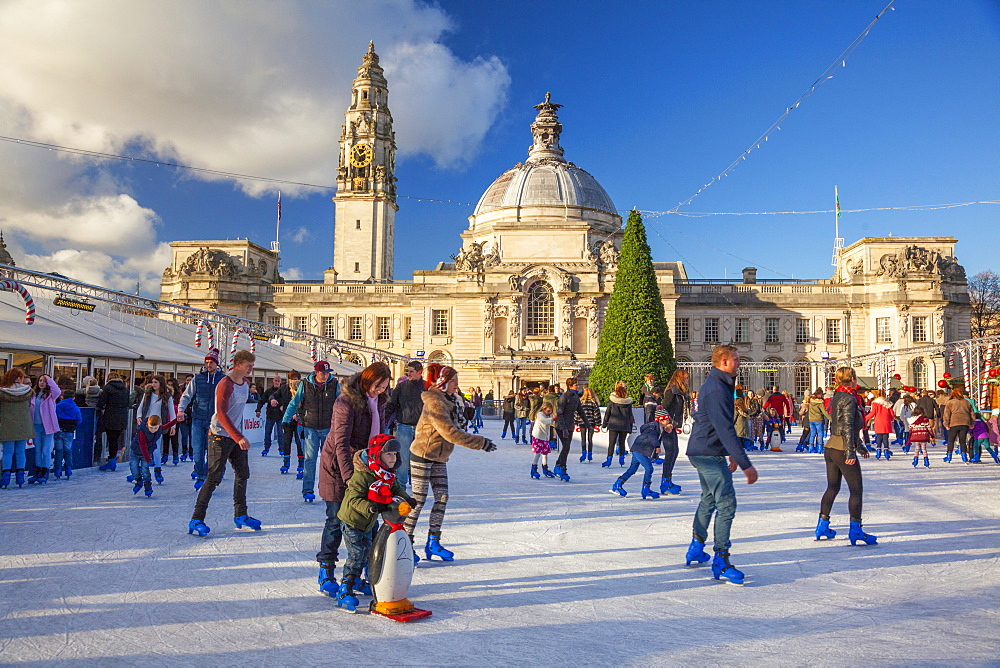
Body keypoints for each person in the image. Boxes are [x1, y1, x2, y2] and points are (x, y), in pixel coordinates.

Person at [405, 363, 496, 563]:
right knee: (418, 501)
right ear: (443, 383)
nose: (457, 385)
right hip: (423, 454)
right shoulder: (435, 402)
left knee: (442, 497)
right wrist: (481, 443)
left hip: (439, 456)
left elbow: (456, 425)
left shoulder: (451, 400)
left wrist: (466, 417)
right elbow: (449, 432)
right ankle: (406, 544)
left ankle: (433, 542)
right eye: (453, 381)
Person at [684, 345, 759, 586]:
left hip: (704, 449)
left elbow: (722, 425)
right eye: (736, 359)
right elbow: (724, 427)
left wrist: (732, 453)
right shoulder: (717, 388)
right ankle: (721, 560)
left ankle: (696, 546)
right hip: (706, 452)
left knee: (709, 498)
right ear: (724, 362)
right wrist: (746, 463)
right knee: (726, 503)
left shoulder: (719, 384)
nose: (740, 363)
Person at [317, 362, 391, 593]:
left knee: (368, 522)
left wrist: (382, 470)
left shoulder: (379, 401)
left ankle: (358, 574)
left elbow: (378, 440)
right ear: (366, 380)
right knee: (337, 520)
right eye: (376, 386)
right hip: (338, 468)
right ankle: (326, 571)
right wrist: (350, 478)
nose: (379, 391)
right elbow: (341, 443)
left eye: (383, 388)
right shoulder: (345, 401)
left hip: (366, 468)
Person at [333, 435, 415, 611]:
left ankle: (357, 581)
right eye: (388, 454)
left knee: (369, 554)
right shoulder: (363, 475)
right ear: (378, 455)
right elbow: (353, 500)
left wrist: (408, 499)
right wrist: (370, 507)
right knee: (357, 555)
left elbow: (396, 489)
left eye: (395, 454)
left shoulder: (387, 475)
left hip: (369, 522)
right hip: (352, 521)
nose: (393, 458)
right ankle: (344, 588)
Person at [187, 350, 261, 537]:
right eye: (248, 366)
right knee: (213, 477)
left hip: (234, 435)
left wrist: (238, 435)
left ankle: (241, 515)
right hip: (220, 435)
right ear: (237, 364)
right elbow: (221, 414)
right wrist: (238, 436)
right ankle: (196, 518)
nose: (251, 369)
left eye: (252, 366)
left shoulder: (245, 383)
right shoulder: (225, 384)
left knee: (243, 474)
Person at [816, 366, 877, 547]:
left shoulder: (836, 396)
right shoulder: (850, 399)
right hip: (843, 448)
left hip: (831, 447)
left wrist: (861, 447)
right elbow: (849, 426)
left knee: (832, 487)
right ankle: (856, 529)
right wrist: (852, 451)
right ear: (852, 379)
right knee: (856, 490)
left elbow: (840, 425)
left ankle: (822, 525)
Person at [283, 360, 340, 503]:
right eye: (323, 373)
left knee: (330, 461)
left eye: (327, 373)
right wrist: (286, 419)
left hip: (328, 427)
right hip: (310, 427)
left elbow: (341, 404)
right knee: (310, 459)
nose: (325, 376)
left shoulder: (334, 384)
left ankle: (330, 490)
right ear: (316, 372)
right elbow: (294, 402)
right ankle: (308, 490)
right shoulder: (305, 384)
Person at [178, 348, 225, 490]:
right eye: (207, 362)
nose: (209, 364)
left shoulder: (223, 379)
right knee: (197, 450)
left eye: (211, 362)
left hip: (215, 421)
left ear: (217, 364)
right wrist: (181, 410)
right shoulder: (197, 379)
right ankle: (200, 474)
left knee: (213, 451)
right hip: (198, 419)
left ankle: (207, 475)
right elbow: (187, 395)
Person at [612, 406, 673, 499]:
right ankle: (646, 489)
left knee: (632, 470)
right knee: (649, 468)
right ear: (661, 420)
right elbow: (652, 437)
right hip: (639, 450)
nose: (669, 421)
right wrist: (657, 446)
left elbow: (658, 437)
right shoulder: (653, 427)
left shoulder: (659, 428)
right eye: (666, 420)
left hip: (638, 449)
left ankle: (618, 484)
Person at [385, 360, 424, 487]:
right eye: (408, 371)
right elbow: (391, 404)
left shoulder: (427, 387)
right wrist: (384, 420)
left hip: (421, 428)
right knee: (403, 458)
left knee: (419, 458)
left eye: (412, 371)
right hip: (404, 426)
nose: (409, 374)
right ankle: (401, 486)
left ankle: (418, 484)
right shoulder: (401, 387)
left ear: (420, 372)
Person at [136, 375, 176, 485]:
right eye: (152, 382)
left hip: (158, 425)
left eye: (156, 382)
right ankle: (140, 470)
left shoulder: (167, 397)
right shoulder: (147, 394)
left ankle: (158, 470)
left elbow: (172, 412)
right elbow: (141, 406)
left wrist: (173, 426)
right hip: (146, 424)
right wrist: (139, 416)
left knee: (156, 449)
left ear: (161, 384)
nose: (153, 384)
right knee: (142, 447)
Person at [130, 413, 178, 498]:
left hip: (147, 453)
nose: (152, 430)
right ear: (147, 425)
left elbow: (168, 425)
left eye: (155, 428)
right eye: (150, 428)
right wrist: (148, 459)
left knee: (145, 470)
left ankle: (148, 486)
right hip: (136, 452)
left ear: (159, 425)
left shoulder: (159, 429)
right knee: (134, 469)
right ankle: (138, 481)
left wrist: (177, 419)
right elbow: (143, 446)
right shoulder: (142, 432)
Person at [1, 369, 35, 489]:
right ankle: (20, 478)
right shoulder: (28, 391)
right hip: (23, 425)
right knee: (20, 451)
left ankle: (5, 479)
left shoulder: (2, 392)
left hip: (7, 425)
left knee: (7, 452)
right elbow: (29, 407)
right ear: (20, 378)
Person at [27, 374, 61, 484]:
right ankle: (38, 471)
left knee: (46, 450)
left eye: (44, 381)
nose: (42, 382)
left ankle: (45, 471)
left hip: (48, 425)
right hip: (36, 425)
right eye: (40, 380)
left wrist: (49, 379)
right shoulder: (33, 395)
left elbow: (58, 391)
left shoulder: (51, 395)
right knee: (37, 450)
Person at [658, 370, 689, 493]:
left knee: (674, 452)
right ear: (679, 378)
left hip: (673, 425)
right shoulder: (672, 391)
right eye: (686, 378)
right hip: (668, 427)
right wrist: (666, 423)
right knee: (670, 453)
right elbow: (662, 408)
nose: (687, 380)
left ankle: (668, 479)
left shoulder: (679, 392)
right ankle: (665, 482)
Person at [553, 377, 587, 481]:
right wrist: (563, 429)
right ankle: (563, 469)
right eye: (576, 385)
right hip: (561, 426)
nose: (578, 386)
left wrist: (588, 424)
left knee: (566, 447)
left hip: (570, 425)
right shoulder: (564, 397)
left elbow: (580, 411)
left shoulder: (575, 397)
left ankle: (558, 465)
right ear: (570, 386)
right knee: (566, 447)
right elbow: (560, 413)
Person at [96, 373, 130, 471]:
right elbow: (128, 403)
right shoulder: (125, 389)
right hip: (122, 417)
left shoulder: (107, 388)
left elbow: (101, 402)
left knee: (111, 440)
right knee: (115, 439)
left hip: (110, 417)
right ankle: (112, 459)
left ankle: (111, 461)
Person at [601, 381, 634, 468]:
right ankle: (621, 459)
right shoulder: (628, 402)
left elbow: (607, 413)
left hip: (613, 424)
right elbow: (630, 415)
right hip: (624, 425)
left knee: (611, 443)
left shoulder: (612, 401)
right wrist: (630, 427)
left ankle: (609, 460)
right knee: (622, 443)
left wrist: (604, 424)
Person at [277, 371, 303, 475]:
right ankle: (286, 462)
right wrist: (273, 399)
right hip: (288, 422)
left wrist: (298, 414)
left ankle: (301, 463)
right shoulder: (284, 389)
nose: (294, 381)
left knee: (299, 443)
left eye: (297, 379)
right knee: (286, 442)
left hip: (300, 422)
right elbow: (274, 395)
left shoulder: (303, 390)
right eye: (293, 379)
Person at [53, 390, 81, 480]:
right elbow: (79, 420)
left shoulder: (57, 406)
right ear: (73, 398)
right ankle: (68, 469)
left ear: (62, 397)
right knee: (68, 450)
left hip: (59, 430)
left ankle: (57, 470)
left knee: (58, 450)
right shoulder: (76, 408)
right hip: (69, 431)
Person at [255, 375, 285, 457]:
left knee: (280, 434)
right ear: (273, 381)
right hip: (270, 415)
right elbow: (261, 401)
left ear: (280, 381)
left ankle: (281, 449)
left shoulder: (283, 391)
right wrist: (258, 410)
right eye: (275, 380)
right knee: (267, 433)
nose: (277, 382)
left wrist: (284, 406)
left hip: (280, 416)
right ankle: (266, 448)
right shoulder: (268, 391)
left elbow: (288, 401)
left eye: (278, 381)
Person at [942, 388, 974, 463]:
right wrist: (972, 423)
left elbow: (947, 414)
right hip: (965, 423)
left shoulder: (950, 402)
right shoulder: (966, 402)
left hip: (954, 423)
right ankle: (964, 457)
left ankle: (949, 456)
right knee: (963, 440)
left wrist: (946, 424)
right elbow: (972, 413)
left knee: (951, 440)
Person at [529, 402, 556, 479]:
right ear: (544, 409)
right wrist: (553, 419)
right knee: (538, 453)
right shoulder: (540, 414)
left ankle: (545, 468)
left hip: (545, 437)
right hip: (538, 436)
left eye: (551, 411)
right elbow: (544, 421)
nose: (549, 412)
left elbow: (552, 422)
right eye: (548, 411)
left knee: (545, 453)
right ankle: (533, 469)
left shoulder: (550, 415)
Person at [867, 390, 895, 459]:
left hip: (879, 421)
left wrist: (865, 418)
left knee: (879, 438)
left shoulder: (875, 403)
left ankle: (878, 451)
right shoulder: (888, 403)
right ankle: (886, 451)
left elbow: (872, 413)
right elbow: (892, 413)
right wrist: (891, 419)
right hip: (886, 421)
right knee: (886, 438)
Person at [161, 378, 182, 465]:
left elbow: (181, 404)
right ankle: (165, 454)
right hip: (166, 418)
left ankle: (175, 454)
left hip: (174, 418)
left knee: (174, 437)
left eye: (171, 385)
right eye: (168, 385)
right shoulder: (165, 395)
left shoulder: (178, 395)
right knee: (165, 436)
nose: (170, 387)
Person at [577, 386, 601, 462]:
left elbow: (577, 412)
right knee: (590, 439)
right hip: (591, 422)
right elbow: (596, 413)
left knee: (583, 438)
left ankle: (583, 453)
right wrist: (598, 422)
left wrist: (576, 421)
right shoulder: (593, 402)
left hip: (582, 422)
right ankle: (590, 453)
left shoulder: (581, 402)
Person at [178, 374, 194, 462]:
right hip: (183, 416)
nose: (189, 382)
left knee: (192, 436)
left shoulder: (195, 390)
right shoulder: (181, 390)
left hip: (192, 415)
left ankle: (191, 452)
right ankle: (184, 452)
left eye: (191, 380)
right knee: (184, 436)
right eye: (188, 380)